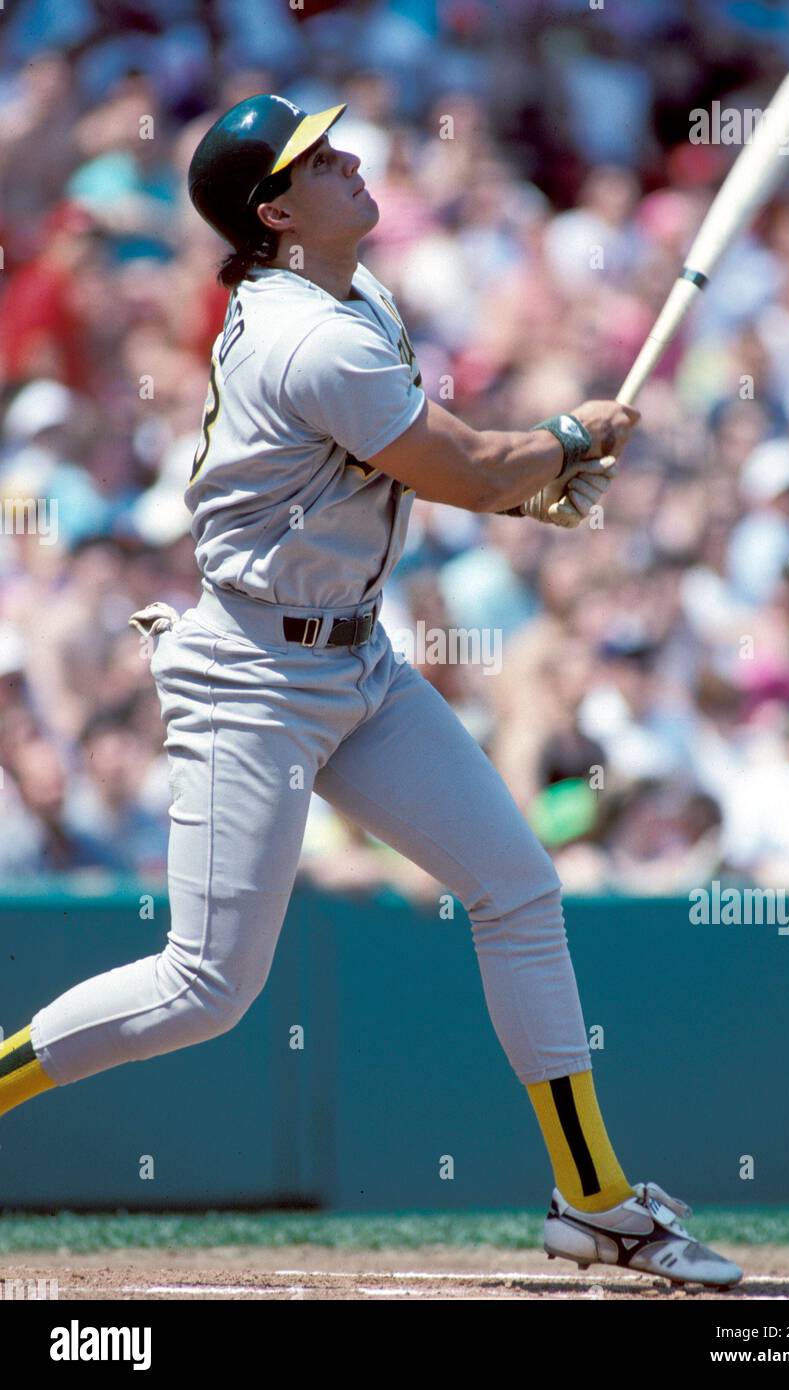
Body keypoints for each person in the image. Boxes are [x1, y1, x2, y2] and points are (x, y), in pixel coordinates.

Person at [0, 93, 741, 1289]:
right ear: (277, 210)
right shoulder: (312, 334)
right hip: (252, 672)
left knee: (516, 883)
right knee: (204, 986)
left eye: (337, 145)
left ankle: (594, 1199)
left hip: (353, 656)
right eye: (318, 160)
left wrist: (532, 484)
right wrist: (558, 446)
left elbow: (434, 471)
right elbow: (461, 464)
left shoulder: (354, 298)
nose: (349, 162)